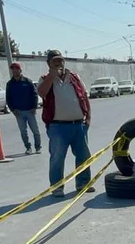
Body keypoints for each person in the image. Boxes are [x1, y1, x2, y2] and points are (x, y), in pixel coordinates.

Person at [37, 50, 93, 198]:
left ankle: (83, 183)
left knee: (83, 156)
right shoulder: (44, 79)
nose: (58, 63)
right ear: (48, 63)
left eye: (60, 60)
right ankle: (57, 187)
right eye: (54, 61)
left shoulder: (74, 77)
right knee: (57, 158)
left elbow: (85, 97)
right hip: (57, 127)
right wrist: (52, 76)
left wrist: (88, 119)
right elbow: (42, 93)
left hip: (78, 125)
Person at [5, 62, 42, 155]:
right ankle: (28, 147)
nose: (14, 71)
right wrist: (13, 110)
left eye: (16, 69)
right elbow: (8, 98)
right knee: (23, 132)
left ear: (20, 70)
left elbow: (34, 94)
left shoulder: (27, 81)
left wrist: (34, 107)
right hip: (19, 112)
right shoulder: (10, 84)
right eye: (13, 69)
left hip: (30, 111)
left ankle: (38, 147)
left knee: (35, 131)